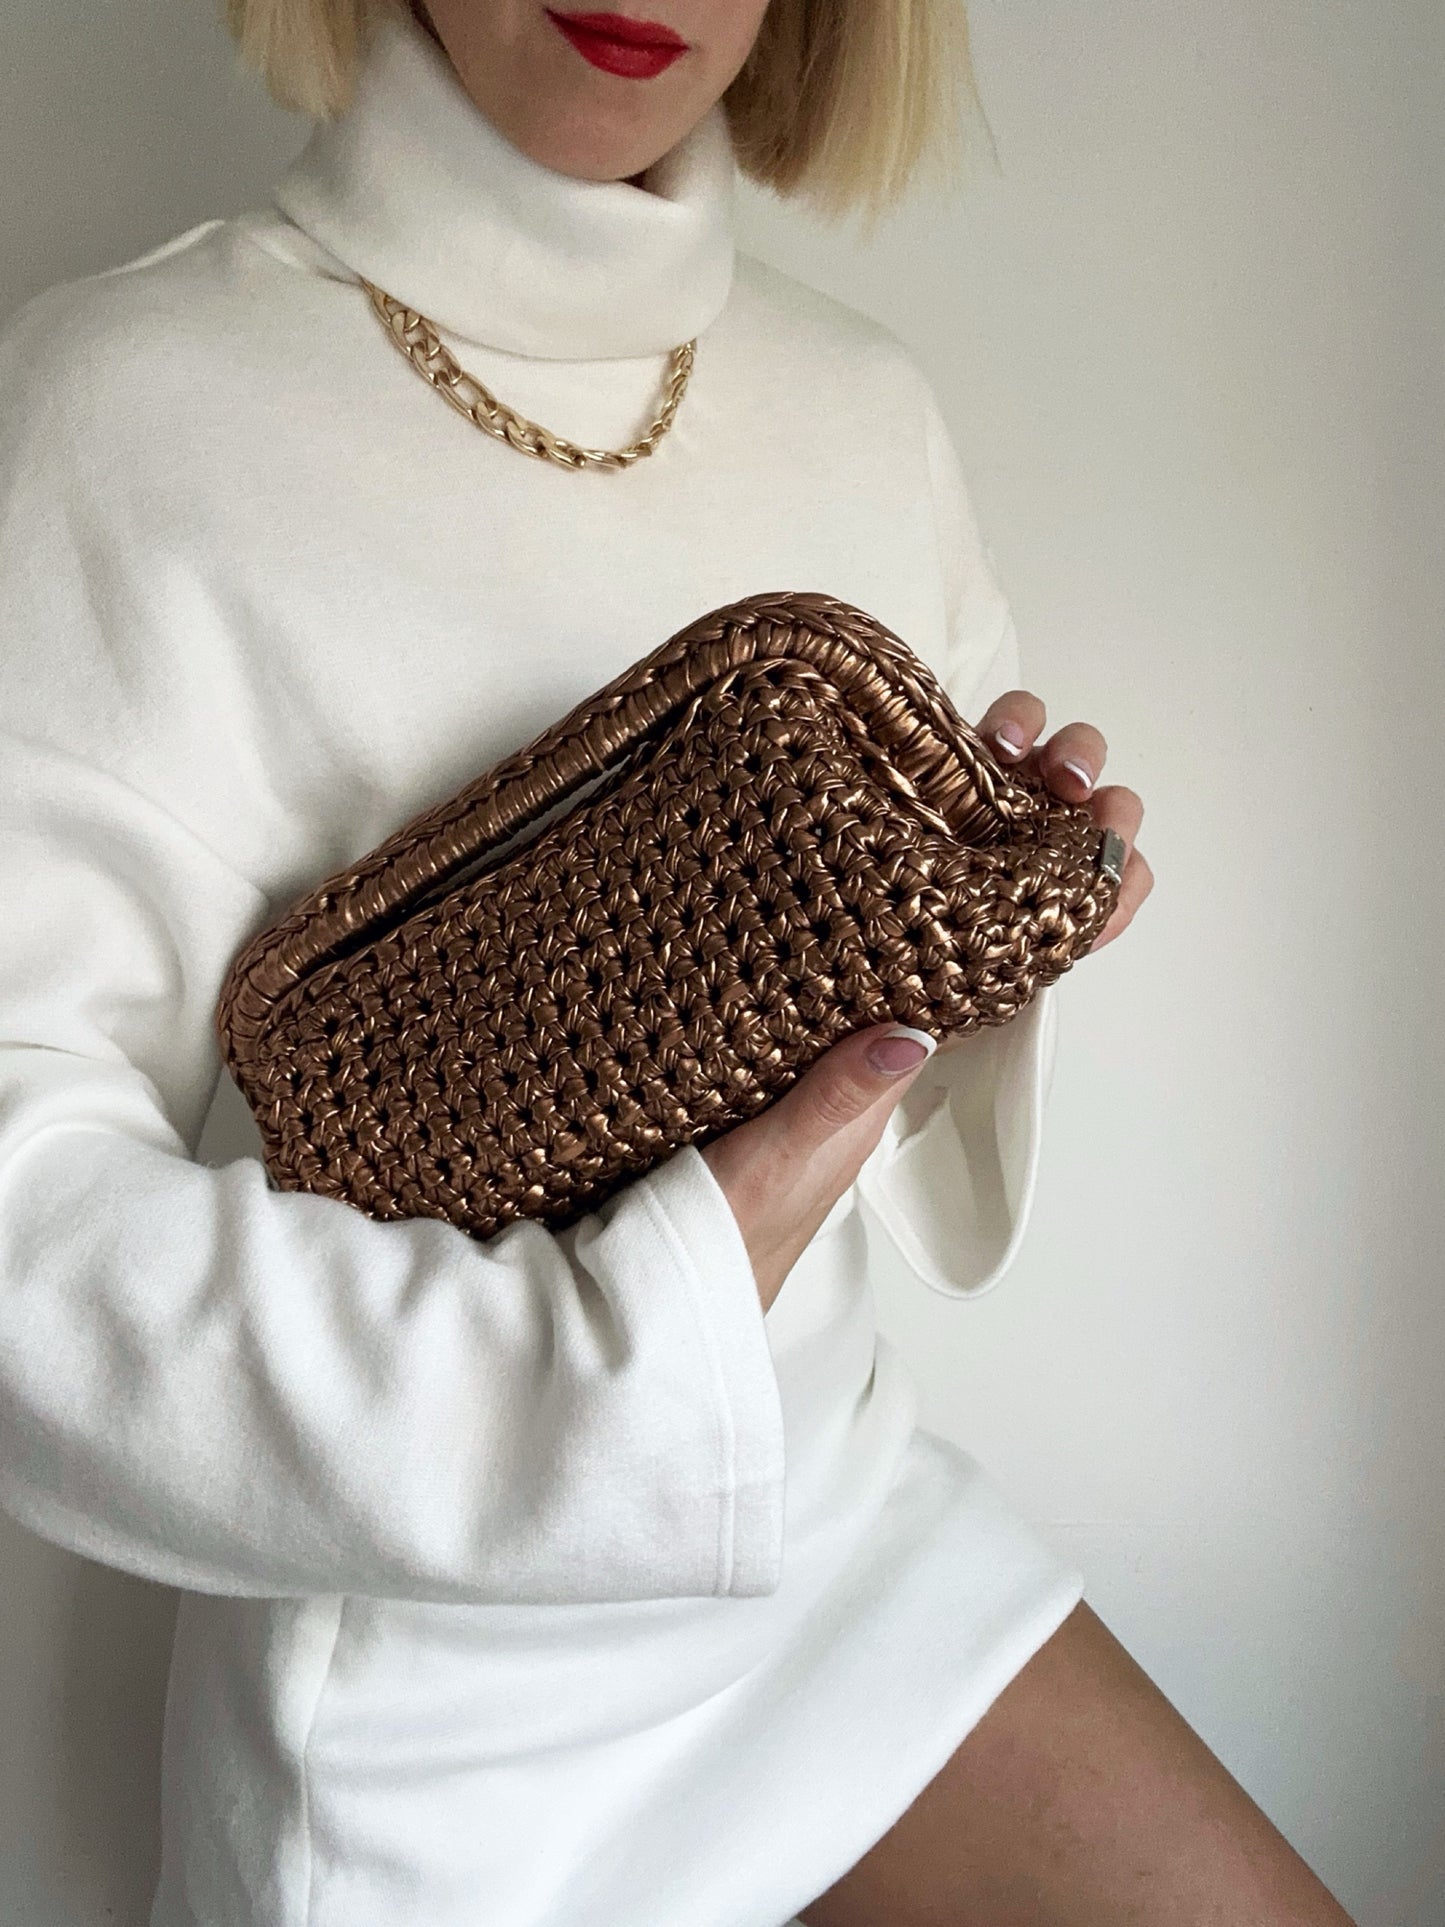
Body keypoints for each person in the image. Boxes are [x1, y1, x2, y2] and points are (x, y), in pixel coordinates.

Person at [0, 2, 1357, 1923]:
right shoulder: (125, 399)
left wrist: (987, 938)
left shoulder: (861, 400)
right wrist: (599, 1370)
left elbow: (878, 1095)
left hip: (830, 1534)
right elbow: (26, 1213)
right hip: (430, 1695)